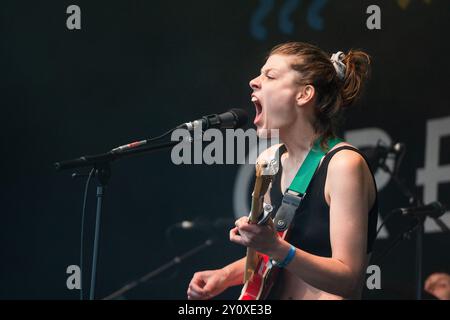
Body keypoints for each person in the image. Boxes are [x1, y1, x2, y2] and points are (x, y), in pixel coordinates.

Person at [187, 42, 378, 300]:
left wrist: (276, 248)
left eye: (270, 75)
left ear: (304, 94)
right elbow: (273, 260)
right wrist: (225, 275)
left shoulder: (343, 165)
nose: (254, 82)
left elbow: (349, 281)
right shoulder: (269, 162)